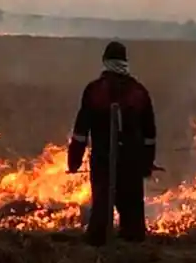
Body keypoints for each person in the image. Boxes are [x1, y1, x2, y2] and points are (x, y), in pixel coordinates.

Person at [67, 40, 157, 245]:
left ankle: (98, 242)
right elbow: (150, 134)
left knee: (102, 203)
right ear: (125, 61)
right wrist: (146, 163)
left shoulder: (95, 90)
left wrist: (74, 160)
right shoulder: (138, 92)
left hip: (102, 158)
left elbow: (81, 131)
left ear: (105, 61)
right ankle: (132, 242)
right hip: (132, 161)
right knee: (132, 206)